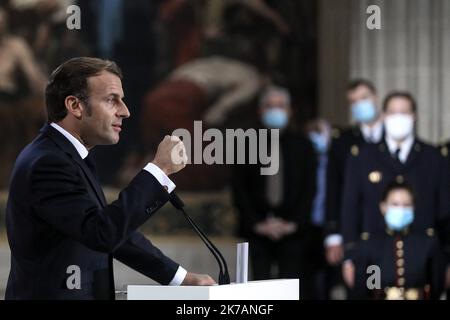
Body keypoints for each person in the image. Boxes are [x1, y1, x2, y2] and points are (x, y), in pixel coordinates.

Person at [5, 57, 215, 300]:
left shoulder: (66, 155)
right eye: (111, 99)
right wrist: (159, 170)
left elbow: (110, 231)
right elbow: (101, 232)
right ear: (75, 105)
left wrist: (179, 278)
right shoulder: (49, 163)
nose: (125, 111)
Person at [340, 91, 450, 297]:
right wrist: (349, 255)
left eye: (404, 112)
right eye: (392, 112)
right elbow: (350, 208)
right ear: (383, 115)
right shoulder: (363, 157)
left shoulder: (434, 157)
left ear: (415, 115)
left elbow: (445, 209)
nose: (398, 117)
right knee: (373, 293)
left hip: (423, 255)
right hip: (373, 255)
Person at [231, 86, 317, 299]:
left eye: (281, 106)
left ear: (290, 111)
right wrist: (258, 224)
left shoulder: (304, 146)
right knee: (258, 292)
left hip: (294, 233)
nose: (275, 111)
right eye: (270, 106)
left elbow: (310, 189)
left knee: (293, 290)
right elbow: (239, 190)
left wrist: (292, 224)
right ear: (260, 111)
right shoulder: (246, 143)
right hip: (257, 232)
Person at [351, 181, 446, 299]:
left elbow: (437, 285)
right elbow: (368, 288)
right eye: (395, 204)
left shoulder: (427, 242)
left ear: (413, 207)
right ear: (383, 207)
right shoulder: (371, 245)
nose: (401, 209)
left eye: (406, 205)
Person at [324, 79, 383, 268]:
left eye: (364, 98)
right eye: (354, 102)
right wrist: (333, 235)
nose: (360, 105)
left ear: (375, 97)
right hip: (356, 228)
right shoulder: (342, 141)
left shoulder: (395, 135)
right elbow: (333, 187)